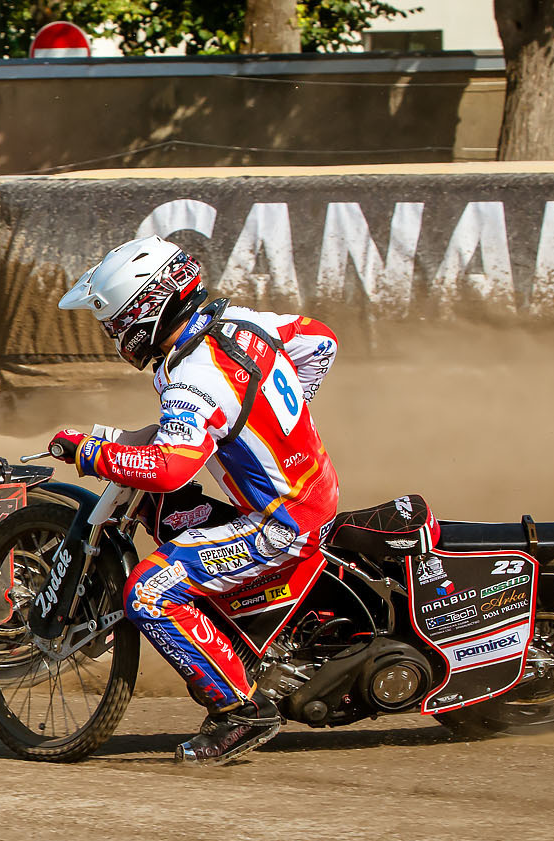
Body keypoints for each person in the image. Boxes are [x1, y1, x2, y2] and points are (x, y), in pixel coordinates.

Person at [49, 237, 342, 764]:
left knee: (148, 592)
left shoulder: (193, 375)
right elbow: (318, 340)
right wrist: (277, 416)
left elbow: (168, 468)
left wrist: (89, 453)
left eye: (115, 323)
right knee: (172, 518)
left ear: (146, 310)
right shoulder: (240, 324)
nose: (115, 336)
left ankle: (239, 713)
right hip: (307, 489)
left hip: (280, 522)